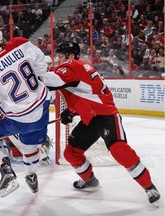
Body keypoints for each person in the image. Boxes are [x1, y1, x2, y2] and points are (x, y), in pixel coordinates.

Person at [41, 41, 161, 205]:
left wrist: (30, 72)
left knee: (119, 150)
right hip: (90, 118)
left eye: (60, 56)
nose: (58, 60)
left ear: (70, 56)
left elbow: (51, 82)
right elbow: (84, 93)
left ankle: (149, 187)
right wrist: (71, 112)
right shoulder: (78, 68)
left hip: (106, 116)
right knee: (71, 152)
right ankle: (89, 179)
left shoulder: (71, 65)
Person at [0, 26, 52, 197]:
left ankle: (6, 170)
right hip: (42, 108)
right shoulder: (20, 43)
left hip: (19, 119)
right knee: (30, 149)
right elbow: (41, 65)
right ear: (2, 39)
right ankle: (31, 176)